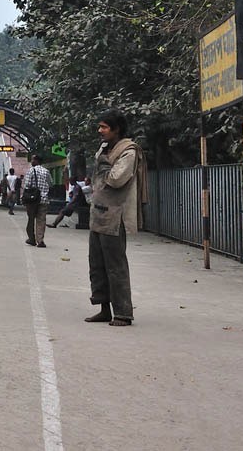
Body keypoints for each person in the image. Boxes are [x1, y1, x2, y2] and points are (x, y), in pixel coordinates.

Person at [86, 109, 148, 327]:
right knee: (97, 263)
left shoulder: (128, 151)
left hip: (115, 214)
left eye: (104, 127)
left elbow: (116, 179)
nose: (100, 131)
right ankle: (104, 308)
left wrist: (103, 164)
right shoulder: (105, 148)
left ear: (116, 129)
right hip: (99, 212)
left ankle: (122, 313)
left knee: (115, 264)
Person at [23, 154, 51, 247]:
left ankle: (31, 238)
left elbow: (27, 185)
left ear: (36, 161)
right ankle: (40, 240)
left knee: (31, 219)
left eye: (32, 160)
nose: (31, 161)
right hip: (43, 199)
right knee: (41, 220)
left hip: (32, 200)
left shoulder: (31, 171)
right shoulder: (46, 171)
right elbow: (51, 183)